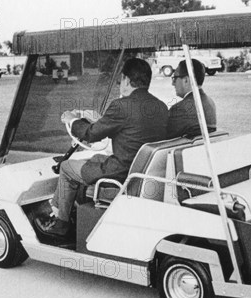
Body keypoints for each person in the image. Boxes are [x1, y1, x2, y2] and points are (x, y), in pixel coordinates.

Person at [38, 58, 169, 237]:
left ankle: (62, 223)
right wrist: (100, 120)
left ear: (126, 80)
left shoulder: (121, 106)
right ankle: (58, 206)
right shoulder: (160, 107)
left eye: (121, 79)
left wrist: (72, 120)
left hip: (120, 175)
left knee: (67, 167)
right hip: (142, 171)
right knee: (94, 159)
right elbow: (128, 130)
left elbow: (90, 134)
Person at [166, 59, 217, 138]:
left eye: (175, 78)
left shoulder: (180, 109)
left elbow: (162, 137)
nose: (172, 83)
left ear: (186, 80)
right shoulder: (210, 102)